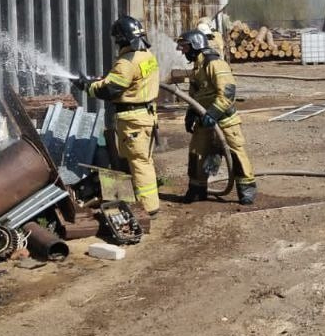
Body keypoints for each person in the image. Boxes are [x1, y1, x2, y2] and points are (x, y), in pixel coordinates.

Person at [73, 16, 161, 215]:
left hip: (133, 120)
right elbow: (128, 82)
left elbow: (110, 90)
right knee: (141, 160)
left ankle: (148, 208)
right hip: (145, 115)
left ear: (122, 39)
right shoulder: (146, 55)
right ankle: (137, 199)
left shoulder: (126, 62)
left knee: (139, 162)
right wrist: (102, 80)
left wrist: (88, 87)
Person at [176, 29, 257, 205]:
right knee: (197, 154)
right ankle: (197, 190)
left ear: (195, 45)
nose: (182, 51)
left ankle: (246, 190)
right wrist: (190, 114)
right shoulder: (197, 66)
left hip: (225, 122)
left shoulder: (214, 64)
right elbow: (195, 95)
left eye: (184, 47)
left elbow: (228, 92)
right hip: (204, 122)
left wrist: (213, 112)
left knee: (236, 155)